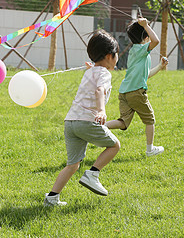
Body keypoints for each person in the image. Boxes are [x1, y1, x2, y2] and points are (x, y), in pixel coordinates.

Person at [44, 29, 121, 207]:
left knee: (72, 165)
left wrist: (91, 68)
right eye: (116, 54)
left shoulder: (90, 71)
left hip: (70, 122)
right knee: (114, 145)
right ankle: (92, 174)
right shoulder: (104, 73)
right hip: (87, 121)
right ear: (110, 56)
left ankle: (52, 198)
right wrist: (101, 110)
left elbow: (93, 82)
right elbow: (99, 90)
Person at [106, 17, 168, 157]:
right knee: (150, 119)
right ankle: (150, 149)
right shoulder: (141, 49)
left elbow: (145, 76)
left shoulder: (135, 51)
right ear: (146, 36)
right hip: (136, 93)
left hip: (124, 93)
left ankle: (100, 127)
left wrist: (160, 66)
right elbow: (156, 41)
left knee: (123, 123)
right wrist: (146, 25)